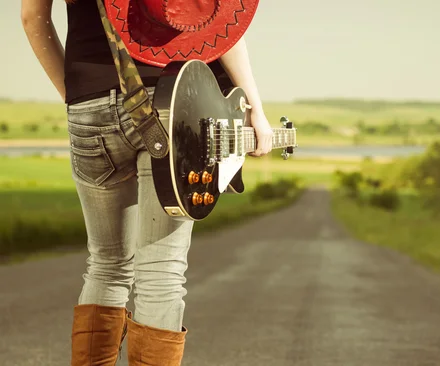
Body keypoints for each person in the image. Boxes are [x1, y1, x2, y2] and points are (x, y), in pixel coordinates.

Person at [20, 0, 272, 364]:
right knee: (161, 271)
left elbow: (33, 19)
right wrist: (256, 110)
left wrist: (78, 97)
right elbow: (223, 31)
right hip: (173, 106)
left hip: (88, 104)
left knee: (106, 264)